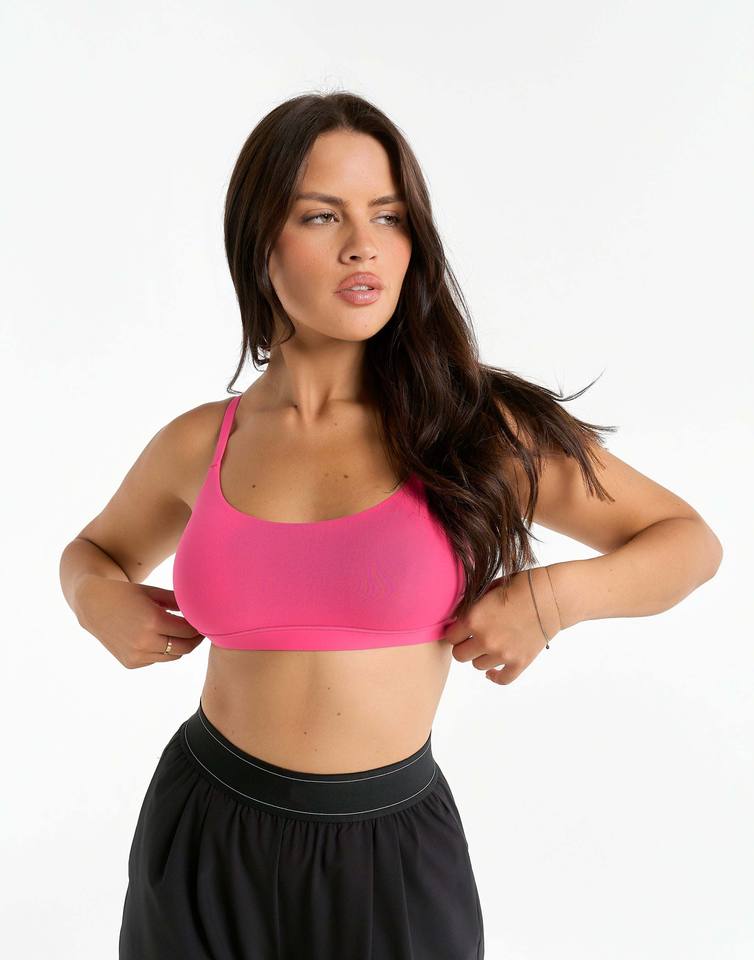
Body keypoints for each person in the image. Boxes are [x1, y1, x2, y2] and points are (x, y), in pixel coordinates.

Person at [59, 92, 723, 960]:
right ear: (259, 241)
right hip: (202, 832)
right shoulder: (199, 442)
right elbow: (93, 552)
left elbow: (686, 541)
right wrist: (95, 599)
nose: (363, 245)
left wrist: (552, 600)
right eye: (321, 215)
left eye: (389, 216)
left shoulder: (474, 430)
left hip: (388, 856)